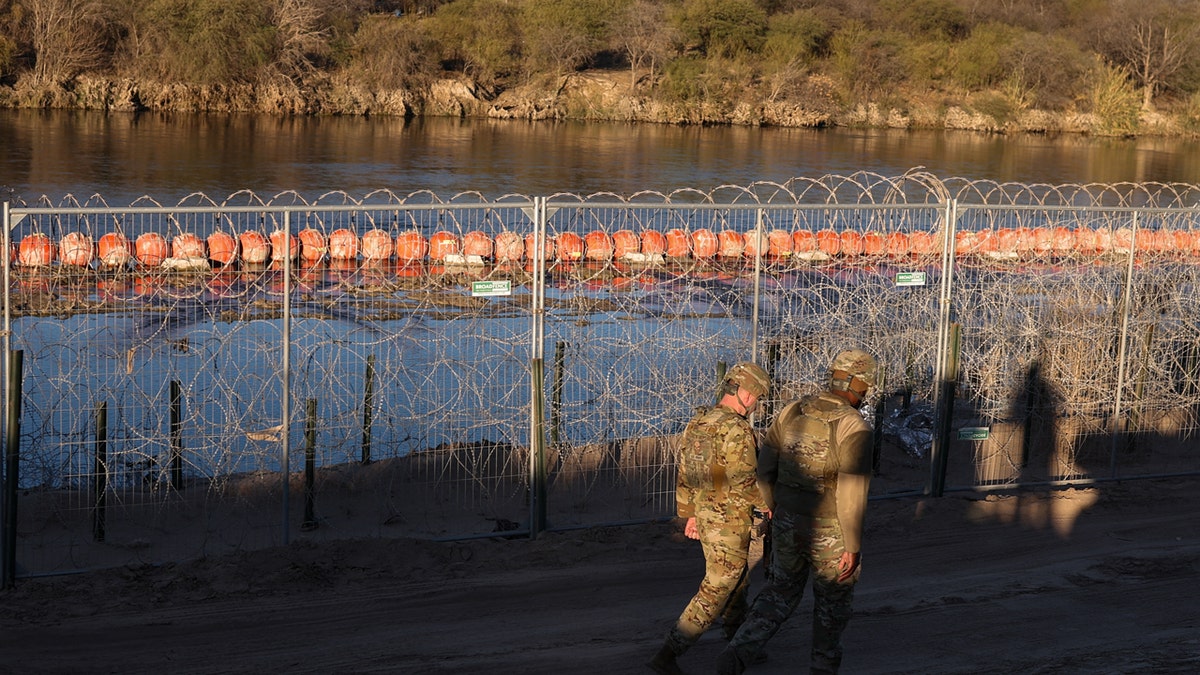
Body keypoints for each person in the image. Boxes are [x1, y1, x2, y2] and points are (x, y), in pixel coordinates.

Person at [717, 348, 879, 675]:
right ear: (860, 386)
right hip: (831, 532)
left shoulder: (792, 410)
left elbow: (765, 470)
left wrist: (778, 509)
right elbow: (851, 493)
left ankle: (733, 659)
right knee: (831, 608)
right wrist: (853, 546)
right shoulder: (854, 427)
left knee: (778, 596)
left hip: (787, 521)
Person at [648, 362, 771, 675]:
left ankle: (738, 645)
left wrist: (689, 514)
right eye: (757, 396)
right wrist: (768, 505)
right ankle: (668, 653)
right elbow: (744, 481)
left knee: (738, 579)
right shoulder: (737, 428)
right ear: (745, 393)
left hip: (706, 515)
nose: (757, 404)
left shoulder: (699, 421)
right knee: (718, 586)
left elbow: (686, 471)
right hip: (728, 520)